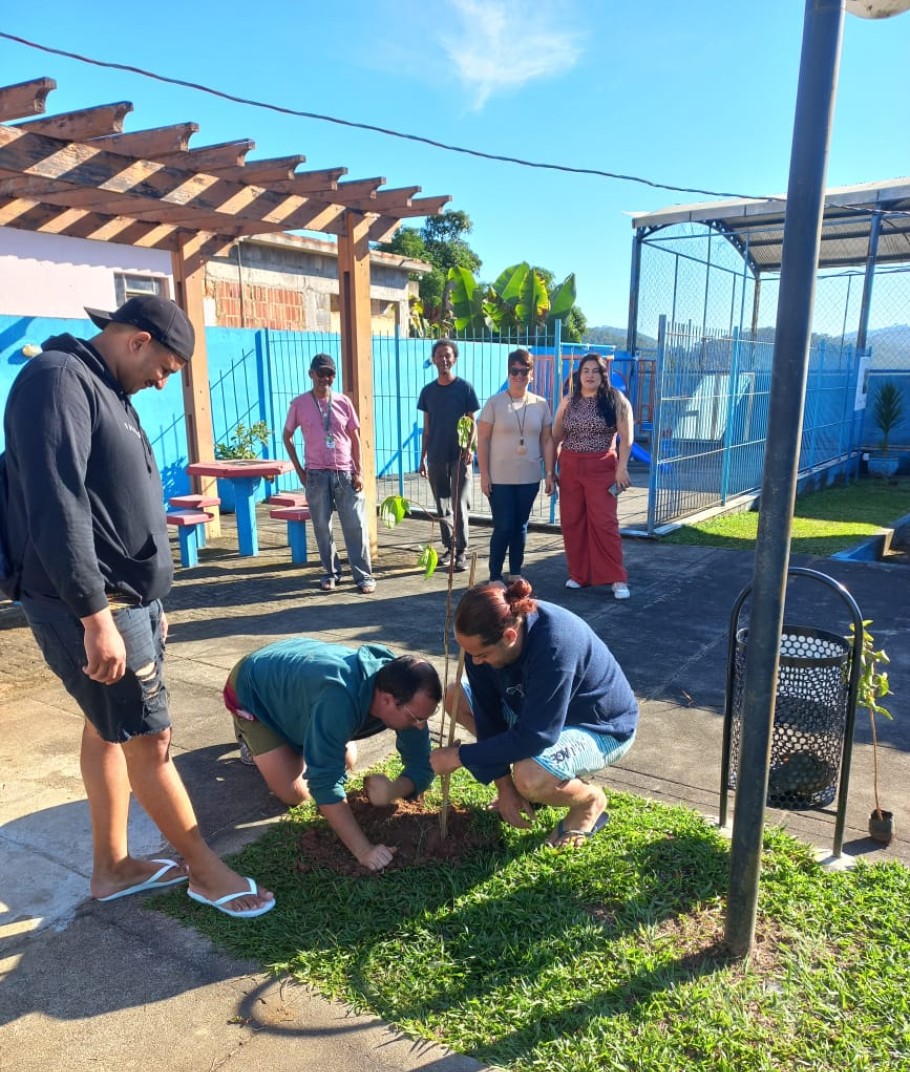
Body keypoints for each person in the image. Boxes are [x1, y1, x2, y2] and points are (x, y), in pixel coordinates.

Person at [2, 296, 274, 918]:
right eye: (166, 368)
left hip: (128, 602)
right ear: (138, 340)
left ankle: (113, 867)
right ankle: (205, 871)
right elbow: (57, 502)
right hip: (92, 604)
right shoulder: (57, 380)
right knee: (151, 740)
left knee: (107, 728)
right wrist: (95, 616)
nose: (162, 382)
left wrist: (151, 602)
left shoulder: (106, 388)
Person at [430, 579, 637, 846]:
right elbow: (488, 716)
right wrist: (505, 788)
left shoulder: (555, 644)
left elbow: (536, 736)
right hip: (536, 712)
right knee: (455, 696)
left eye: (481, 655)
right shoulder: (482, 647)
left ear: (509, 637)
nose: (475, 662)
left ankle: (590, 802)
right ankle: (532, 782)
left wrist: (460, 756)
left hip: (601, 727)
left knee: (530, 776)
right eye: (469, 653)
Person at [224, 639, 443, 871]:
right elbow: (324, 783)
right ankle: (249, 734)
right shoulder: (339, 700)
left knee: (347, 758)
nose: (421, 726)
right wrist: (364, 850)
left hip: (299, 678)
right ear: (387, 700)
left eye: (424, 718)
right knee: (295, 794)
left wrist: (394, 790)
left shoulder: (400, 685)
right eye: (416, 718)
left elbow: (423, 762)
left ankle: (310, 738)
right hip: (252, 689)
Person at [283, 353, 376, 594]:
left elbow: (355, 438)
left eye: (330, 374)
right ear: (311, 374)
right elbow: (287, 436)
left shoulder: (344, 402)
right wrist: (300, 471)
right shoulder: (299, 404)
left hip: (344, 472)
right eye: (321, 373)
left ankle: (363, 576)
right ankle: (331, 572)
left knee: (355, 525)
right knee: (322, 527)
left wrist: (358, 472)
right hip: (315, 474)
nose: (325, 378)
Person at [552, 352, 634, 599]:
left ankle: (617, 578)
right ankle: (579, 574)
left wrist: (622, 467)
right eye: (585, 371)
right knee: (572, 521)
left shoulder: (615, 399)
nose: (589, 375)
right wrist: (550, 469)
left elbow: (626, 437)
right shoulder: (569, 400)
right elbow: (556, 435)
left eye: (595, 371)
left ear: (603, 374)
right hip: (570, 467)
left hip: (602, 467)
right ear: (579, 375)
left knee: (604, 522)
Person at [476, 348, 555, 583]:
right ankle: (495, 575)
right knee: (503, 525)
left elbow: (547, 440)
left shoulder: (541, 404)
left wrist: (549, 473)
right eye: (514, 371)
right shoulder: (495, 403)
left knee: (520, 525)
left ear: (532, 373)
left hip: (529, 477)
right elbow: (483, 439)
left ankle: (516, 572)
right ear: (508, 373)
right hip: (499, 478)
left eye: (524, 371)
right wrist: (484, 475)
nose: (519, 375)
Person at [417, 339, 479, 572]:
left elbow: (472, 423)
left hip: (459, 456)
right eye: (439, 355)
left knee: (459, 503)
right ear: (433, 359)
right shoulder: (427, 392)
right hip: (436, 455)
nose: (443, 359)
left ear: (454, 359)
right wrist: (422, 457)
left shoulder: (465, 389)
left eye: (448, 355)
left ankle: (461, 551)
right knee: (442, 505)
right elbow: (427, 428)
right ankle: (449, 547)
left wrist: (469, 448)